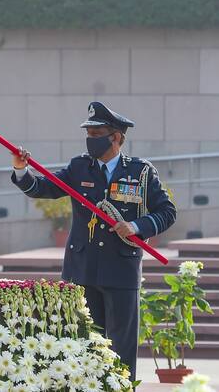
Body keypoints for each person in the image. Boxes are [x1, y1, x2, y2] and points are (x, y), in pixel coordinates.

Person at [10, 101, 176, 381]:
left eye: (97, 134)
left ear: (117, 138)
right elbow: (42, 188)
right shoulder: (79, 168)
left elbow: (167, 212)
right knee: (85, 342)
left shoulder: (140, 172)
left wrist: (136, 226)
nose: (91, 141)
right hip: (82, 268)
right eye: (89, 134)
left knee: (121, 345)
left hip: (121, 270)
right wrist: (21, 170)